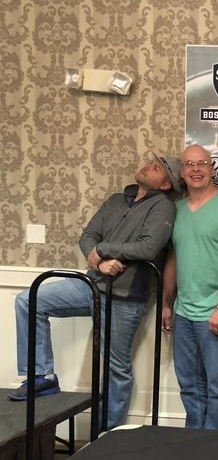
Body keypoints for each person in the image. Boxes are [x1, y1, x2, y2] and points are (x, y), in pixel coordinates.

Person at [9, 151, 183, 430]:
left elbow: (148, 247)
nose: (150, 165)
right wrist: (99, 260)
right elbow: (88, 235)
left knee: (116, 368)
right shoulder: (117, 199)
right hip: (91, 285)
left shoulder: (163, 206)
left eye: (159, 168)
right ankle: (41, 375)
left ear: (165, 185)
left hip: (125, 298)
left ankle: (108, 433)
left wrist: (103, 249)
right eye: (153, 161)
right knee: (28, 300)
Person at [162, 144, 218, 431]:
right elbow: (174, 258)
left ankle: (214, 451)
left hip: (217, 314)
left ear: (212, 167)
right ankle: (194, 443)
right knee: (189, 386)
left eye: (201, 163)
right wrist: (167, 303)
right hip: (184, 313)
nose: (196, 169)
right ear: (182, 172)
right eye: (189, 164)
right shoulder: (177, 210)